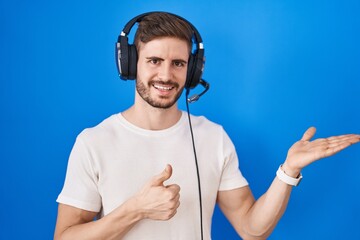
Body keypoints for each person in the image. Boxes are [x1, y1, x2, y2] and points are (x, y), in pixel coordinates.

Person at [54, 12, 360, 240]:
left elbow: (252, 229)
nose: (166, 75)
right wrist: (136, 209)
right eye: (154, 61)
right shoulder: (94, 142)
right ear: (131, 64)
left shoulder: (213, 137)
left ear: (192, 71)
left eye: (178, 64)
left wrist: (288, 171)